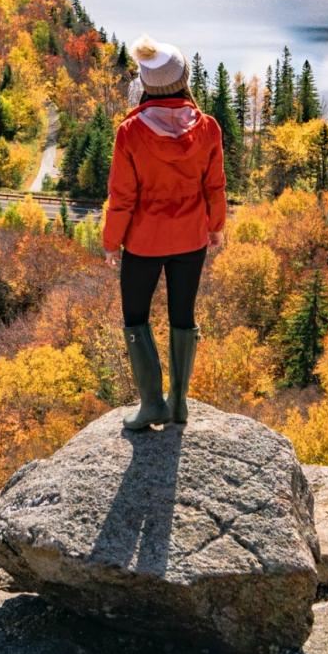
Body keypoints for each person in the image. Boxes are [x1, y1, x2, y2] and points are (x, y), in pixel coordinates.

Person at [103, 35, 227, 430]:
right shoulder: (207, 128)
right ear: (184, 79)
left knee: (135, 316)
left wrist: (111, 242)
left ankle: (151, 404)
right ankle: (178, 405)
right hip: (191, 239)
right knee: (182, 315)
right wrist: (217, 226)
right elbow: (215, 186)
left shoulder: (130, 132)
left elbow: (121, 196)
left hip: (143, 241)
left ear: (146, 84)